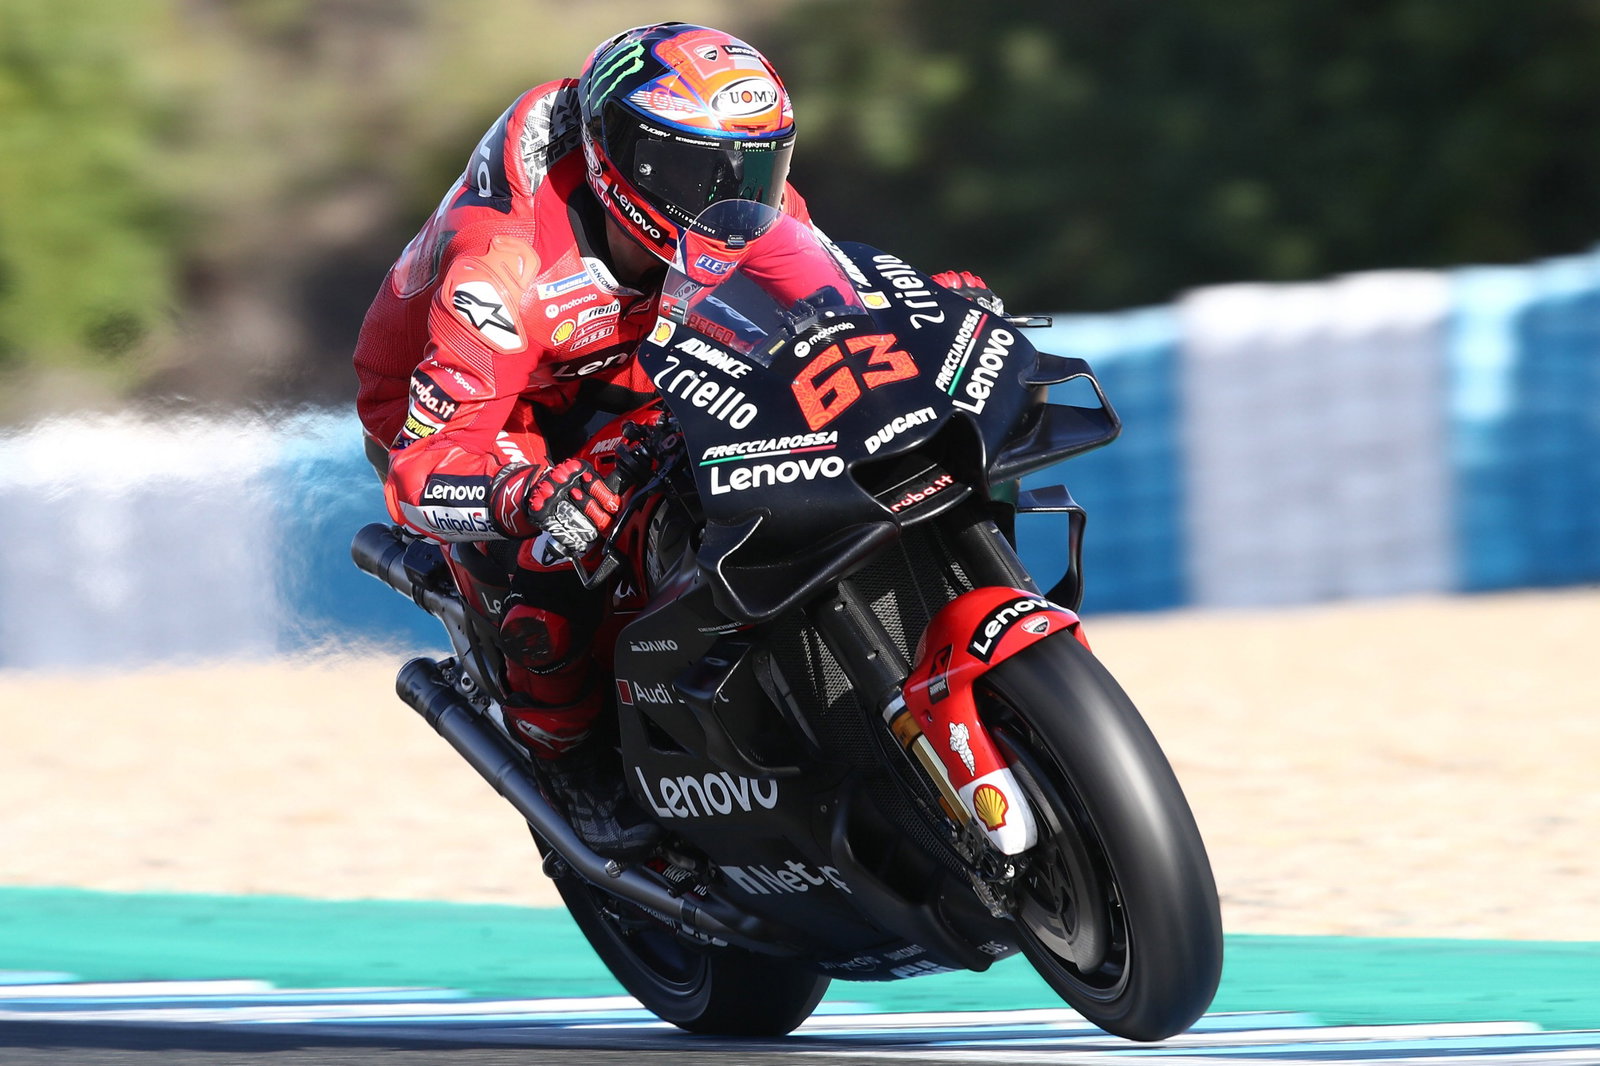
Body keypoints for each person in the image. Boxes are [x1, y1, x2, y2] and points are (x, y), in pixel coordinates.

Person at [352, 22, 998, 858]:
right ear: (619, 159)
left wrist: (918, 316)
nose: (733, 193)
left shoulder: (744, 214)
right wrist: (531, 492)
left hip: (628, 363)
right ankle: (568, 763)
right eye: (702, 170)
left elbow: (828, 307)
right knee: (559, 557)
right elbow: (422, 468)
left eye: (757, 166)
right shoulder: (503, 265)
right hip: (482, 412)